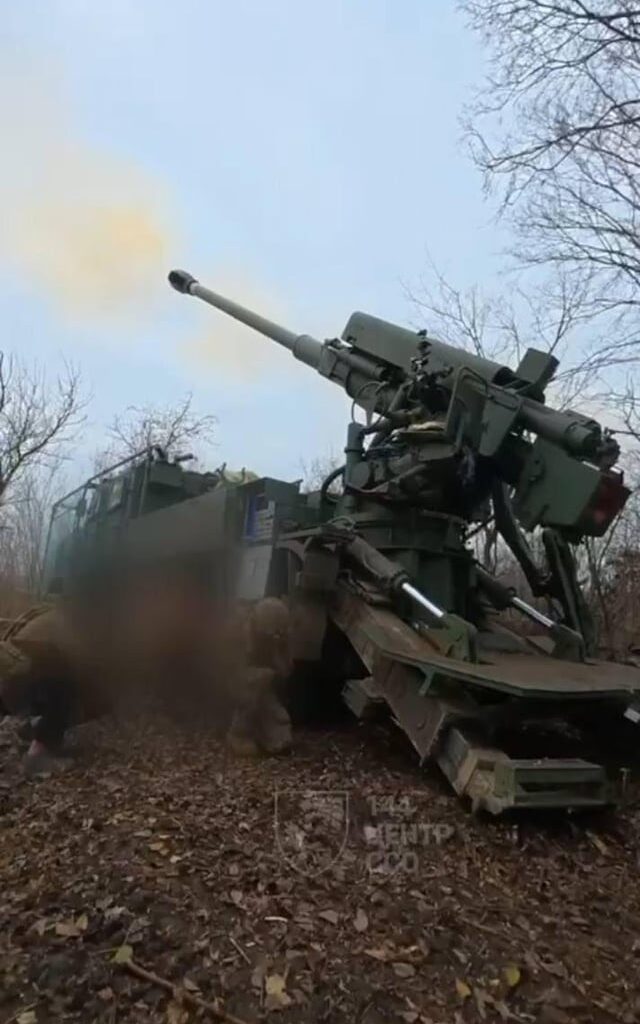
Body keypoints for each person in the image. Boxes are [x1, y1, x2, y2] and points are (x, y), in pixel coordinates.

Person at [226, 597, 294, 756]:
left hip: (262, 689)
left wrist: (277, 650)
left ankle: (263, 732)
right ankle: (238, 734)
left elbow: (286, 671)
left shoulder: (279, 638)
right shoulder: (239, 634)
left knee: (281, 736)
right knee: (253, 691)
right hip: (237, 685)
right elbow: (232, 672)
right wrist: (262, 675)